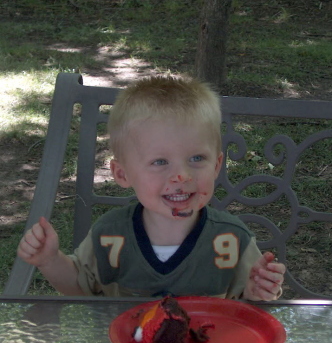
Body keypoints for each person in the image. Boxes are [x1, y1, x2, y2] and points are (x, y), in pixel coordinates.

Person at [17, 75, 285, 300]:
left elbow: (248, 308)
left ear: (216, 166)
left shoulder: (232, 240)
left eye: (196, 158)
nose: (181, 176)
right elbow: (79, 287)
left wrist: (257, 291)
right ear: (122, 173)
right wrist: (49, 260)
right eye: (160, 162)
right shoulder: (110, 236)